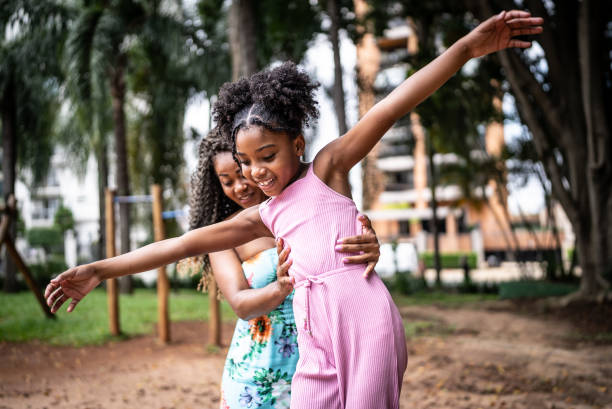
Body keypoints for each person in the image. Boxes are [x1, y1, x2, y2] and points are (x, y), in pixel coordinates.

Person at [46, 10, 542, 409]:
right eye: (245, 162)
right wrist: (98, 269)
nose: (256, 172)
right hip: (313, 335)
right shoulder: (262, 216)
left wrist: (467, 49)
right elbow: (180, 243)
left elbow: (391, 106)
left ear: (297, 142)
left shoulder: (327, 168)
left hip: (364, 319)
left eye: (268, 156)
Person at [185, 132, 381, 408]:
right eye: (227, 181)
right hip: (258, 375)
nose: (240, 186)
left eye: (243, 172)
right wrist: (279, 287)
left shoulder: (308, 207)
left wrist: (369, 248)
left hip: (323, 359)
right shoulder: (224, 234)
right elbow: (241, 305)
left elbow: (342, 261)